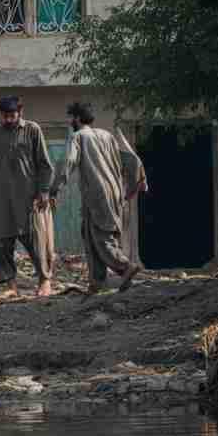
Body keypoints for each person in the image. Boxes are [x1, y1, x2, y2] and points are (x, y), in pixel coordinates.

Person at [49, 103, 145, 294]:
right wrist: (133, 185)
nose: (69, 122)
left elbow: (67, 162)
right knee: (90, 234)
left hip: (97, 194)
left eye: (70, 118)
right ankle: (97, 282)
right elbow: (131, 159)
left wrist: (53, 189)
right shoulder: (106, 135)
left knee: (102, 236)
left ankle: (125, 267)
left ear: (76, 118)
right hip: (114, 192)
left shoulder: (78, 137)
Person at [0, 96, 56, 298]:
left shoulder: (32, 130)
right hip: (0, 197)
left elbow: (44, 164)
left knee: (35, 239)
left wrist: (44, 190)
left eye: (12, 115)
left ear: (20, 112)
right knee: (0, 242)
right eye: (5, 116)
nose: (9, 119)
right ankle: (11, 285)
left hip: (27, 197)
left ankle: (45, 281)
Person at [115, 127, 148, 269]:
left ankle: (125, 265)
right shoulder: (123, 162)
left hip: (119, 204)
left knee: (120, 236)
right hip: (119, 203)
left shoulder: (127, 161)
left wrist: (126, 197)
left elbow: (136, 183)